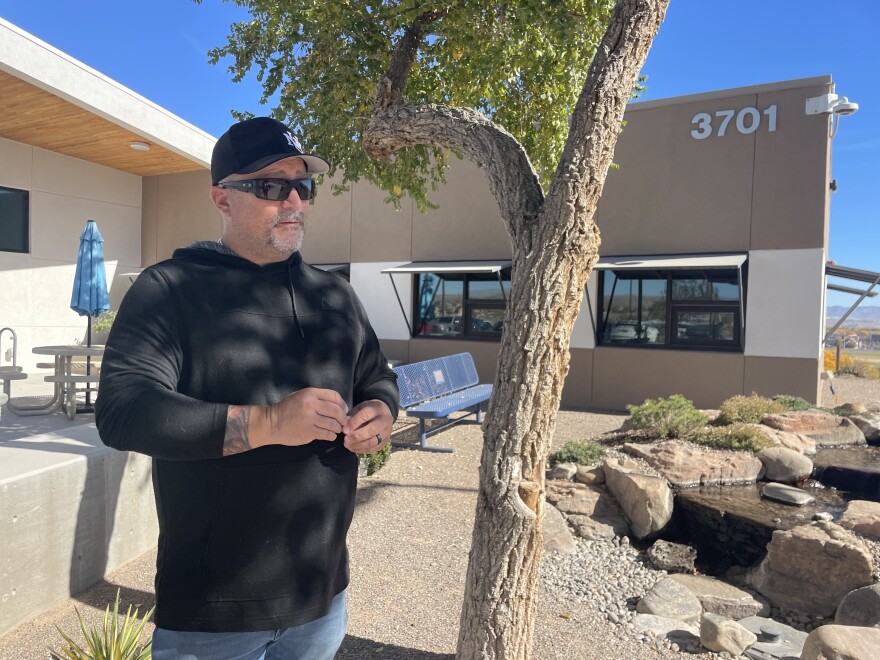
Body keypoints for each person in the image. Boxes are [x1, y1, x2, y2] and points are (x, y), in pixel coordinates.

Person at [95, 117, 399, 659]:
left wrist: (381, 409)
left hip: (322, 600)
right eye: (269, 186)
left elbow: (375, 374)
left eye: (302, 186)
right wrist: (268, 423)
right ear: (222, 198)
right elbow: (123, 410)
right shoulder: (169, 289)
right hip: (210, 619)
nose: (293, 201)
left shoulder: (336, 296)